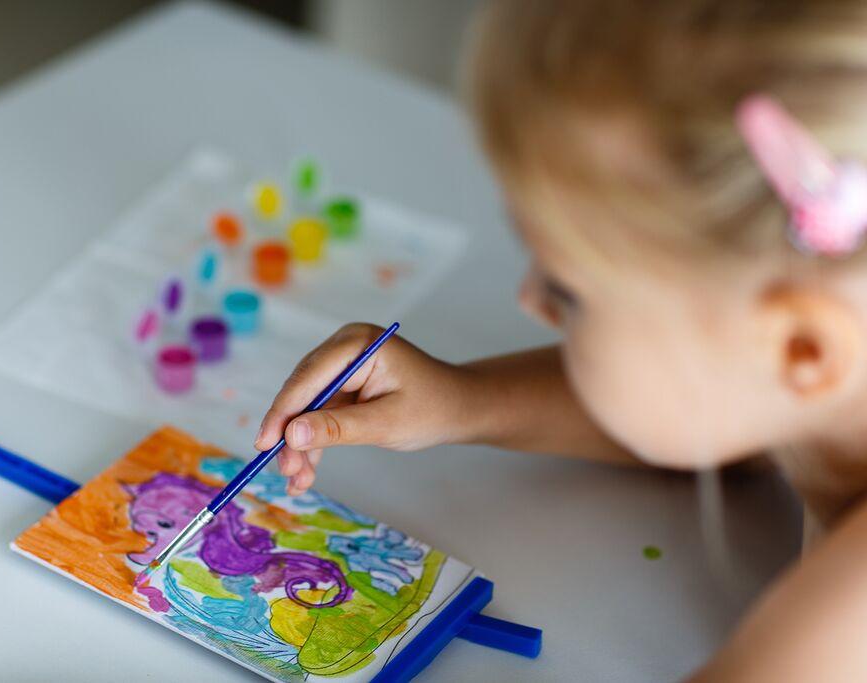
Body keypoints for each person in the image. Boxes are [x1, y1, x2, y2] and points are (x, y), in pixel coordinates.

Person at [257, 1, 867, 678]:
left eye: (571, 291)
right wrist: (461, 399)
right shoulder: (829, 367)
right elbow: (719, 416)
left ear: (800, 351)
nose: (529, 299)